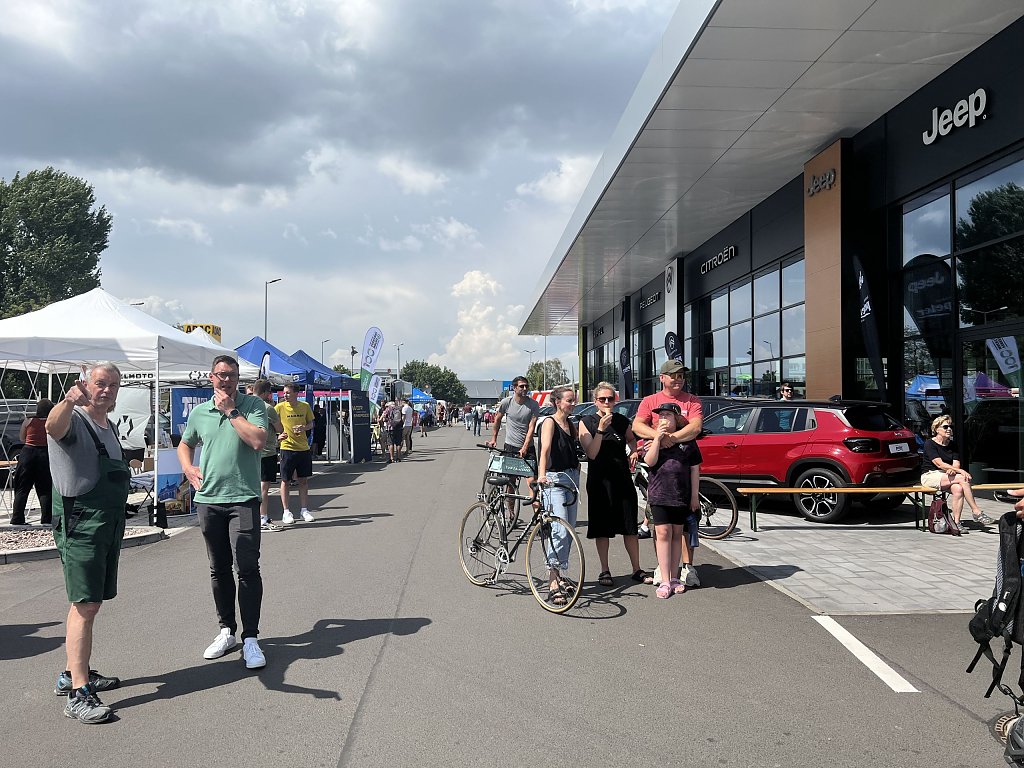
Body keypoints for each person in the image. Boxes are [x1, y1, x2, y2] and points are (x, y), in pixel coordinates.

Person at [47, 363, 130, 723]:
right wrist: (68, 400)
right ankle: (78, 693)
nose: (107, 390)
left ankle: (72, 672)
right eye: (100, 383)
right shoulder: (75, 419)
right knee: (85, 604)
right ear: (86, 384)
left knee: (90, 602)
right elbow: (52, 427)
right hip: (82, 523)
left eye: (113, 385)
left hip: (107, 524)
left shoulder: (108, 425)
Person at [178, 355, 269, 670]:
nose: (226, 380)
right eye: (221, 375)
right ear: (211, 377)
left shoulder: (253, 406)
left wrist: (231, 411)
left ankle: (251, 638)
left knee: (247, 568)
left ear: (238, 377)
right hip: (209, 500)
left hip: (243, 498)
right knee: (218, 568)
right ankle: (226, 631)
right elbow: (185, 444)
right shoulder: (200, 412)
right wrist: (188, 468)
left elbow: (257, 441)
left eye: (231, 375)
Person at [632, 359, 704, 587]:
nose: (678, 380)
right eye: (673, 375)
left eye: (681, 376)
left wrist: (671, 438)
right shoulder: (650, 401)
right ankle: (662, 568)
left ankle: (687, 566)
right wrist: (658, 437)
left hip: (683, 475)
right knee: (660, 526)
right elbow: (637, 426)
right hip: (659, 477)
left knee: (686, 525)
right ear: (662, 377)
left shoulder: (692, 400)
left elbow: (695, 427)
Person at [578, 383, 649, 586]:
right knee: (602, 528)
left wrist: (633, 450)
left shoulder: (621, 420)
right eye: (602, 399)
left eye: (610, 399)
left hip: (622, 478)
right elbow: (591, 453)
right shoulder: (587, 421)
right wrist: (600, 430)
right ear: (595, 402)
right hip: (600, 481)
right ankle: (605, 570)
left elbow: (631, 438)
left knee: (629, 525)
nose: (607, 402)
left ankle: (636, 569)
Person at [643, 402, 702, 599]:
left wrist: (694, 496)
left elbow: (695, 469)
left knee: (677, 534)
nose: (663, 419)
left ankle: (675, 577)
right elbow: (649, 461)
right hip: (659, 494)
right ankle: (665, 579)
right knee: (662, 533)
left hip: (680, 495)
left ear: (677, 419)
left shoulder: (688, 441)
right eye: (661, 415)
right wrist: (658, 439)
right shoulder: (652, 439)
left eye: (668, 415)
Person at [536, 385, 582, 605]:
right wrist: (541, 475)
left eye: (574, 400)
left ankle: (560, 573)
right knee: (559, 530)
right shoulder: (549, 422)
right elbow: (544, 450)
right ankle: (553, 580)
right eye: (569, 400)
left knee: (569, 531)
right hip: (554, 479)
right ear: (557, 402)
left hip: (572, 477)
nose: (573, 404)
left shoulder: (571, 424)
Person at [921, 414, 991, 530]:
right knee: (963, 478)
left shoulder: (953, 445)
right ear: (937, 429)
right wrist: (959, 471)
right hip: (930, 475)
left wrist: (953, 470)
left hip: (947, 475)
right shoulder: (930, 443)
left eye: (950, 427)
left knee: (958, 489)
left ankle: (956, 523)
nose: (949, 429)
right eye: (945, 427)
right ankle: (976, 511)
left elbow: (956, 463)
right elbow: (939, 464)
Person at [489, 376, 541, 518]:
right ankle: (511, 513)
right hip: (510, 447)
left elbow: (531, 427)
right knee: (510, 483)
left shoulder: (533, 405)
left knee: (532, 483)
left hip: (528, 448)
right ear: (514, 388)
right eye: (521, 386)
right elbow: (497, 419)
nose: (525, 388)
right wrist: (494, 439)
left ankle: (537, 518)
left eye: (526, 386)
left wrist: (525, 447)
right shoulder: (507, 402)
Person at [275, 383, 315, 524]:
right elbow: (270, 423)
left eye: (288, 393)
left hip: (303, 448)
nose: (285, 395)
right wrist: (277, 435)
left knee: (303, 480)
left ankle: (304, 510)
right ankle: (286, 511)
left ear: (296, 393)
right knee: (285, 480)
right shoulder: (279, 407)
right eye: (284, 392)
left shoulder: (305, 406)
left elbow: (311, 423)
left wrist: (304, 427)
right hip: (287, 448)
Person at [11, 398, 54, 526]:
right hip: (44, 453)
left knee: (22, 487)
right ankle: (46, 519)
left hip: (28, 452)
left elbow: (22, 438)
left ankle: (17, 518)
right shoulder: (51, 422)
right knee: (45, 489)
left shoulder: (28, 420)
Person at [251, 380, 283, 531]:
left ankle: (254, 517)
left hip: (249, 450)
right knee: (264, 487)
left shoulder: (244, 405)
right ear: (266, 393)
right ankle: (262, 518)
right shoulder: (268, 408)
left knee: (252, 486)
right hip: (266, 451)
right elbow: (279, 428)